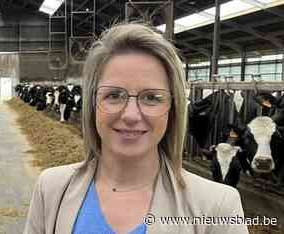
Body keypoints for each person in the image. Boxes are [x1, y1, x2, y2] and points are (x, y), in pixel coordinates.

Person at [24, 23, 249, 234]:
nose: (131, 115)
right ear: (92, 104)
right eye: (113, 95)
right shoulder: (51, 189)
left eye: (151, 97)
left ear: (173, 108)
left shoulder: (219, 206)